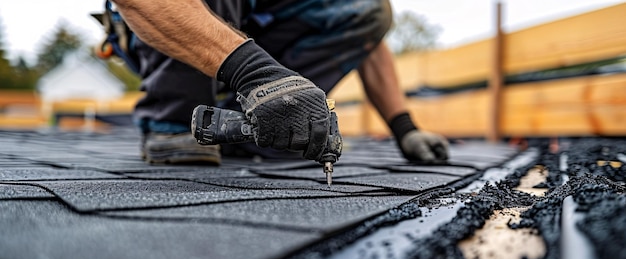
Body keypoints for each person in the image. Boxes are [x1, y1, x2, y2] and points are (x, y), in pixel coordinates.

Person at [111, 0, 449, 165]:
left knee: (368, 7)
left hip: (250, 26)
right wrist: (254, 72)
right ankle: (175, 123)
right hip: (170, 17)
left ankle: (254, 126)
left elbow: (368, 38)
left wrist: (404, 127)